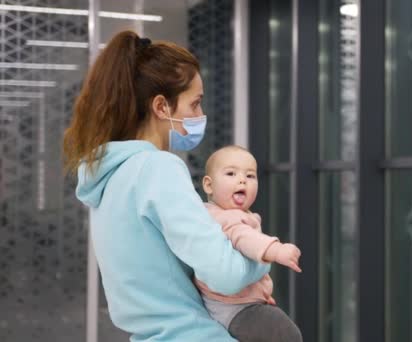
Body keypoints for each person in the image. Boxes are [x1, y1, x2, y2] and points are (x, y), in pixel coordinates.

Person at [63, 30, 270, 341]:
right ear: (161, 107)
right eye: (195, 104)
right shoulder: (158, 168)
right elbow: (225, 275)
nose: (201, 115)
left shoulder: (108, 175)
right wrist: (263, 255)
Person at [195, 145, 303, 341]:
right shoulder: (223, 218)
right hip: (231, 308)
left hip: (240, 303)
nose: (242, 179)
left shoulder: (240, 215)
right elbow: (244, 238)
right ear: (209, 185)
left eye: (250, 176)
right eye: (231, 173)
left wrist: (259, 293)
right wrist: (276, 250)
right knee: (286, 334)